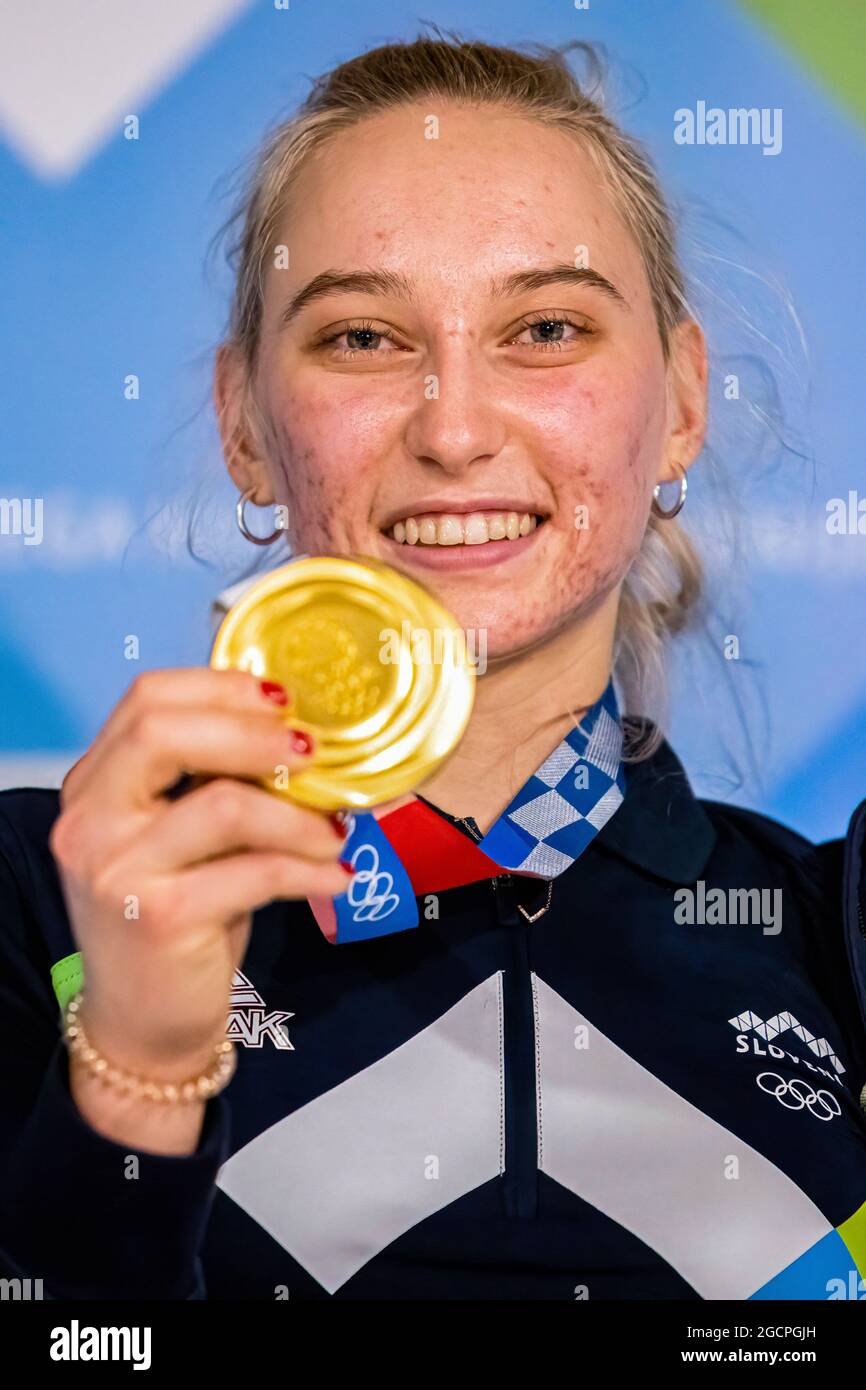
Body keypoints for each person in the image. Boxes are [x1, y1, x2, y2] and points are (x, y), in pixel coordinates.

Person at [1, 33, 865, 1303]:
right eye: (360, 337)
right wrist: (139, 1072)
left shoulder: (831, 936)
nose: (454, 429)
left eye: (546, 326)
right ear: (245, 422)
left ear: (678, 401)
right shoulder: (41, 902)